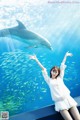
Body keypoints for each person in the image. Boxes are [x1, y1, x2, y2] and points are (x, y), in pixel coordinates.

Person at [29, 51, 80, 120]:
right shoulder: (48, 80)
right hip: (59, 102)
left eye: (56, 71)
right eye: (53, 70)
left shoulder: (60, 78)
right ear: (51, 71)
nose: (54, 72)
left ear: (58, 73)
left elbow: (62, 65)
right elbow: (43, 69)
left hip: (68, 99)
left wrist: (66, 56)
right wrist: (36, 60)